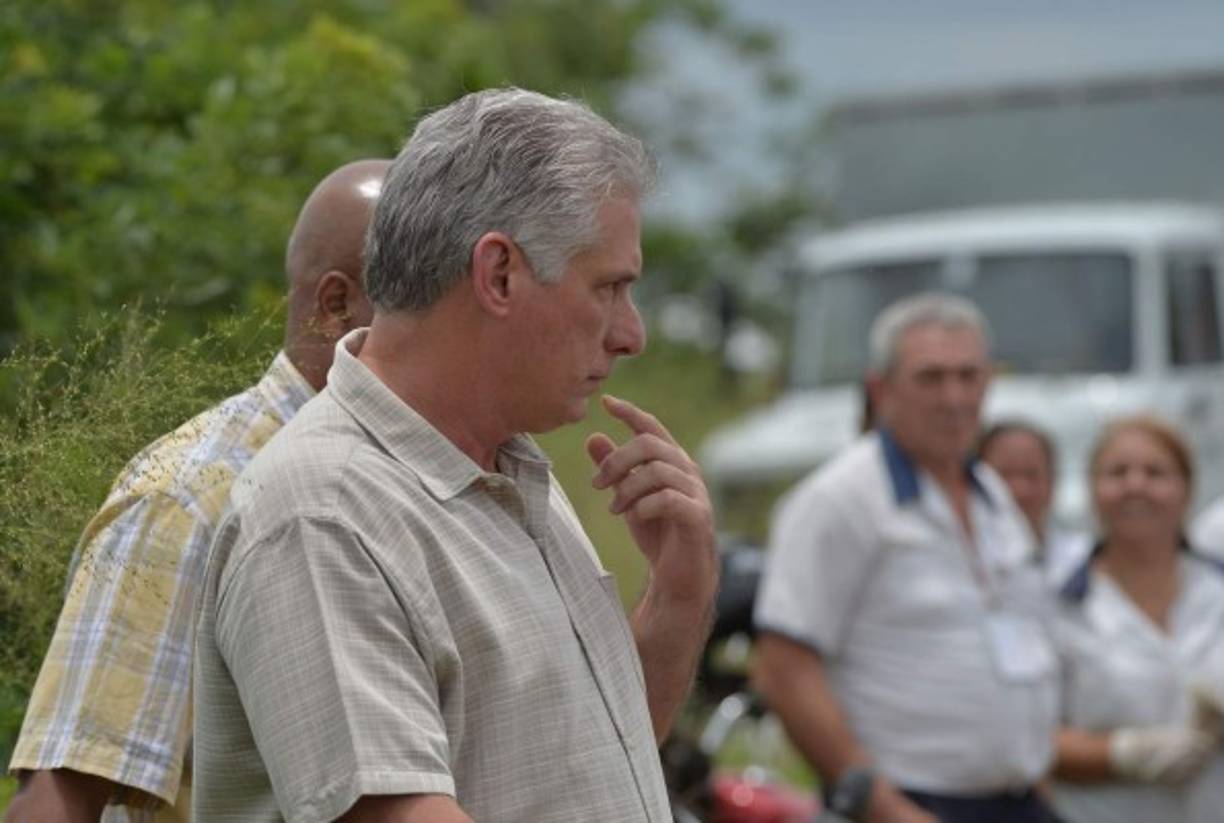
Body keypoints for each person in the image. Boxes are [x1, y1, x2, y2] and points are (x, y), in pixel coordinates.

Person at [191, 88, 719, 822]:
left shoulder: (504, 464)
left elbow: (600, 763)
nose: (631, 334)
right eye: (609, 288)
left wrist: (679, 592)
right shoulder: (323, 512)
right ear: (498, 273)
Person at [4, 159, 388, 823]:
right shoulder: (188, 498)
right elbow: (59, 801)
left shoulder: (399, 484)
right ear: (335, 305)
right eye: (423, 301)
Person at [752, 292, 1060, 823]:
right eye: (931, 378)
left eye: (969, 376)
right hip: (912, 804)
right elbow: (781, 668)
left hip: (1016, 798)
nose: (953, 397)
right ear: (881, 388)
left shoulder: (990, 492)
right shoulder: (839, 499)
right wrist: (882, 806)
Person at [1049, 415, 1224, 823]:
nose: (1135, 485)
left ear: (1187, 490)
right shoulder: (1058, 604)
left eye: (1155, 472)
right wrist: (1123, 754)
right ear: (1092, 491)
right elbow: (1027, 739)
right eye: (1117, 473)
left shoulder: (1216, 590)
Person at [979, 421, 1090, 587]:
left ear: (1053, 482)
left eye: (1031, 475)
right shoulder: (952, 559)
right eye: (1004, 475)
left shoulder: (1082, 561)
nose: (1019, 489)